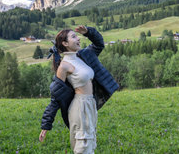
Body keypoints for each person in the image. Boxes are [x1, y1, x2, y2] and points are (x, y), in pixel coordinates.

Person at [39, 25, 119, 154]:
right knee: (83, 147)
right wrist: (46, 125)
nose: (78, 39)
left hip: (90, 104)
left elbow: (99, 44)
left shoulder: (84, 55)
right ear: (65, 43)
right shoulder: (64, 66)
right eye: (74, 37)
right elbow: (56, 97)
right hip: (79, 107)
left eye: (77, 36)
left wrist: (88, 32)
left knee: (90, 144)